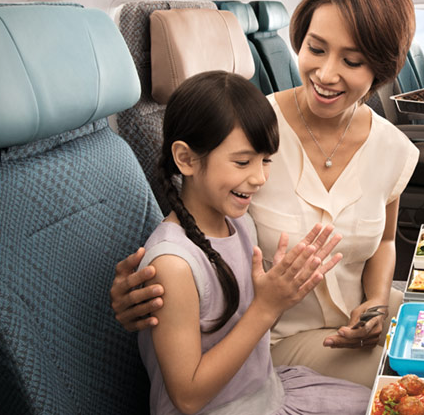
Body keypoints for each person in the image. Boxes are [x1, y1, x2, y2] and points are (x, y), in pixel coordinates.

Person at [111, 0, 418, 387]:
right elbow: (191, 235)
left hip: (355, 318)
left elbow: (383, 242)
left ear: (381, 68)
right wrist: (138, 291)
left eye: (352, 61)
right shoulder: (249, 135)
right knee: (411, 376)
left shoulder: (393, 148)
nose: (326, 74)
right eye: (316, 48)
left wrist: (378, 301)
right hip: (271, 341)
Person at [137, 70, 369, 415]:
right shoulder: (174, 264)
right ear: (186, 159)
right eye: (243, 162)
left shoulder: (240, 223)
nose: (259, 177)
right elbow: (187, 396)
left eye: (266, 161)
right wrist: (267, 306)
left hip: (267, 391)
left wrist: (285, 290)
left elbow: (244, 332)